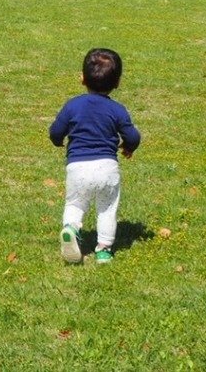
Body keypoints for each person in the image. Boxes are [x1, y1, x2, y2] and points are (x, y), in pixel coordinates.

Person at [49, 48, 141, 264]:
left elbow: (55, 131)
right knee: (107, 208)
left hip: (78, 167)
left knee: (75, 204)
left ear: (82, 78)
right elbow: (133, 136)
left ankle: (71, 229)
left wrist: (58, 141)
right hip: (107, 168)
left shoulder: (72, 106)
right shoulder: (117, 110)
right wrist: (128, 146)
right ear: (117, 82)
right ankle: (104, 250)